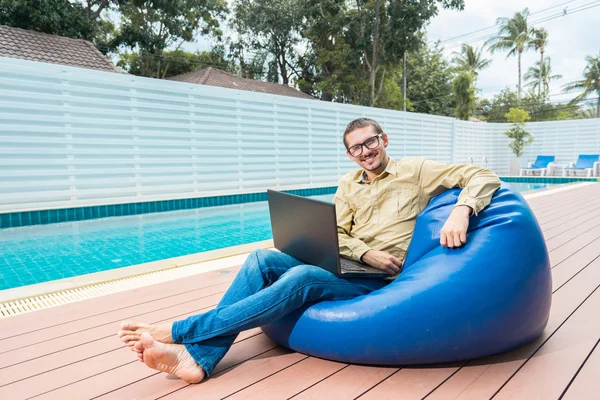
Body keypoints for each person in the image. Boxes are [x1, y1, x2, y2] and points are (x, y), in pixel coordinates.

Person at [118, 117, 501, 383]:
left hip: (381, 279)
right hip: (351, 264)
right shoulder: (348, 184)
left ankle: (182, 333)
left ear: (384, 140)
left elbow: (482, 175)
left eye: (370, 142)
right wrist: (361, 252)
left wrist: (462, 211)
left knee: (301, 277)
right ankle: (198, 360)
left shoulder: (415, 171)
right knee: (261, 257)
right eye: (356, 148)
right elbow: (336, 231)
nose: (365, 152)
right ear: (349, 155)